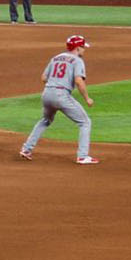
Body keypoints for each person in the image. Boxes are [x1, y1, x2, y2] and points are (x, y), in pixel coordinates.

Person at [19, 36, 98, 165]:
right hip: (61, 94)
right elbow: (79, 81)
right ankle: (83, 156)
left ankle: (27, 149)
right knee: (85, 122)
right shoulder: (77, 61)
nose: (84, 49)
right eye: (83, 47)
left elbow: (44, 78)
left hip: (47, 93)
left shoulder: (56, 58)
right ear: (78, 48)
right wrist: (87, 98)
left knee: (45, 120)